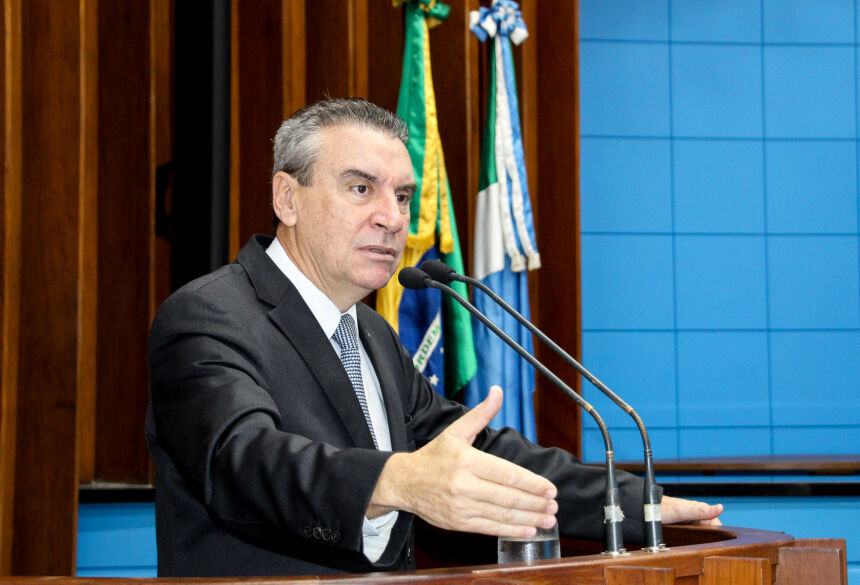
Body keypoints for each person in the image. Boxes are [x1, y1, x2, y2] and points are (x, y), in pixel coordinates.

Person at [146, 98, 722, 577]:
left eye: (401, 196)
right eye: (360, 189)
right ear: (287, 199)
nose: (392, 218)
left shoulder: (368, 331)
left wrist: (635, 502)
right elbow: (243, 461)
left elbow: (475, 452)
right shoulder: (208, 315)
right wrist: (399, 480)